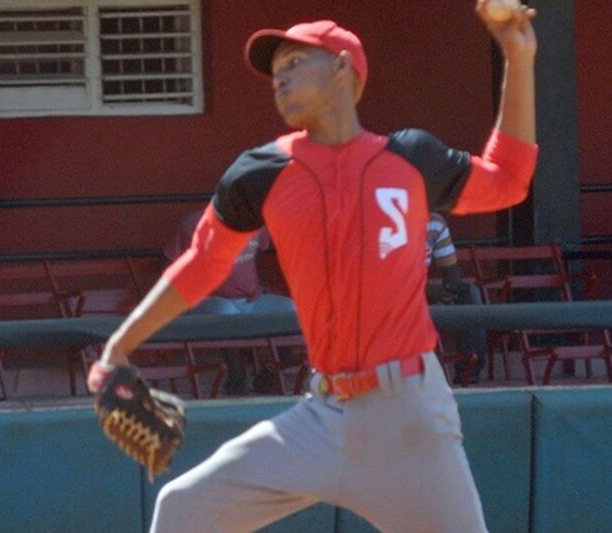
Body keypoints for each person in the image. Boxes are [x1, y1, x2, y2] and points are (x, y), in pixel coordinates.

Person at [88, 4, 538, 531]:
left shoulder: (411, 158)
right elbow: (201, 264)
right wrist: (120, 345)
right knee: (182, 508)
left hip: (409, 420)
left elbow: (508, 179)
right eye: (276, 67)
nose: (280, 74)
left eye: (296, 60)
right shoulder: (261, 172)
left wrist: (518, 54)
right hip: (321, 416)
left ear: (343, 68)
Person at [164, 209, 296, 395]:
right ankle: (237, 374)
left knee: (291, 310)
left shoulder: (254, 222)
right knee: (226, 312)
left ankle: (269, 374)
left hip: (251, 299)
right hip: (208, 301)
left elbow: (258, 253)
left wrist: (256, 285)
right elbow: (170, 263)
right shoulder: (192, 224)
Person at [426, 212, 487, 383]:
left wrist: (451, 288)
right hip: (395, 296)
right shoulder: (388, 219)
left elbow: (451, 270)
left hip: (422, 293)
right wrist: (429, 291)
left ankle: (469, 373)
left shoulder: (434, 222)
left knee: (470, 293)